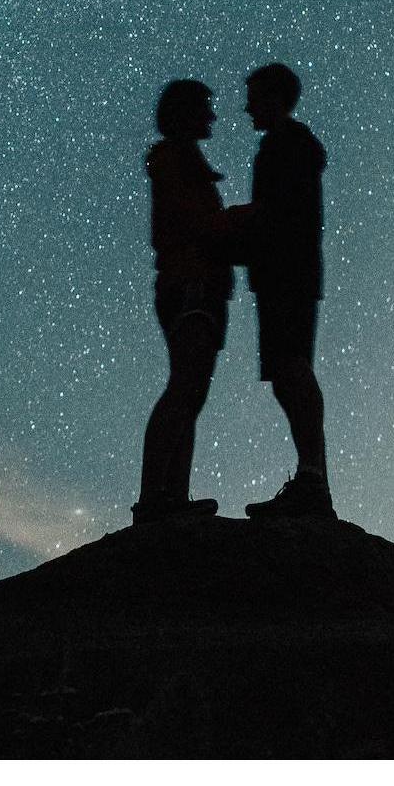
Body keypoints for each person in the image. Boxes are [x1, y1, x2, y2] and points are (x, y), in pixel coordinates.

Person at [229, 61, 333, 519]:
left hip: (286, 276)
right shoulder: (288, 145)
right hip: (287, 275)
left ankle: (312, 480)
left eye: (253, 96)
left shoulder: (285, 145)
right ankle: (312, 479)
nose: (247, 106)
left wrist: (232, 227)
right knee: (288, 374)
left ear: (274, 97)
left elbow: (280, 214)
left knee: (291, 370)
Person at [135, 77, 231, 524]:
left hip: (194, 282)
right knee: (186, 385)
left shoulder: (181, 160)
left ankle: (171, 497)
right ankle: (156, 498)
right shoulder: (176, 160)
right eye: (205, 108)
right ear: (186, 113)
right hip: (189, 282)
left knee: (191, 389)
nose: (213, 116)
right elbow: (197, 223)